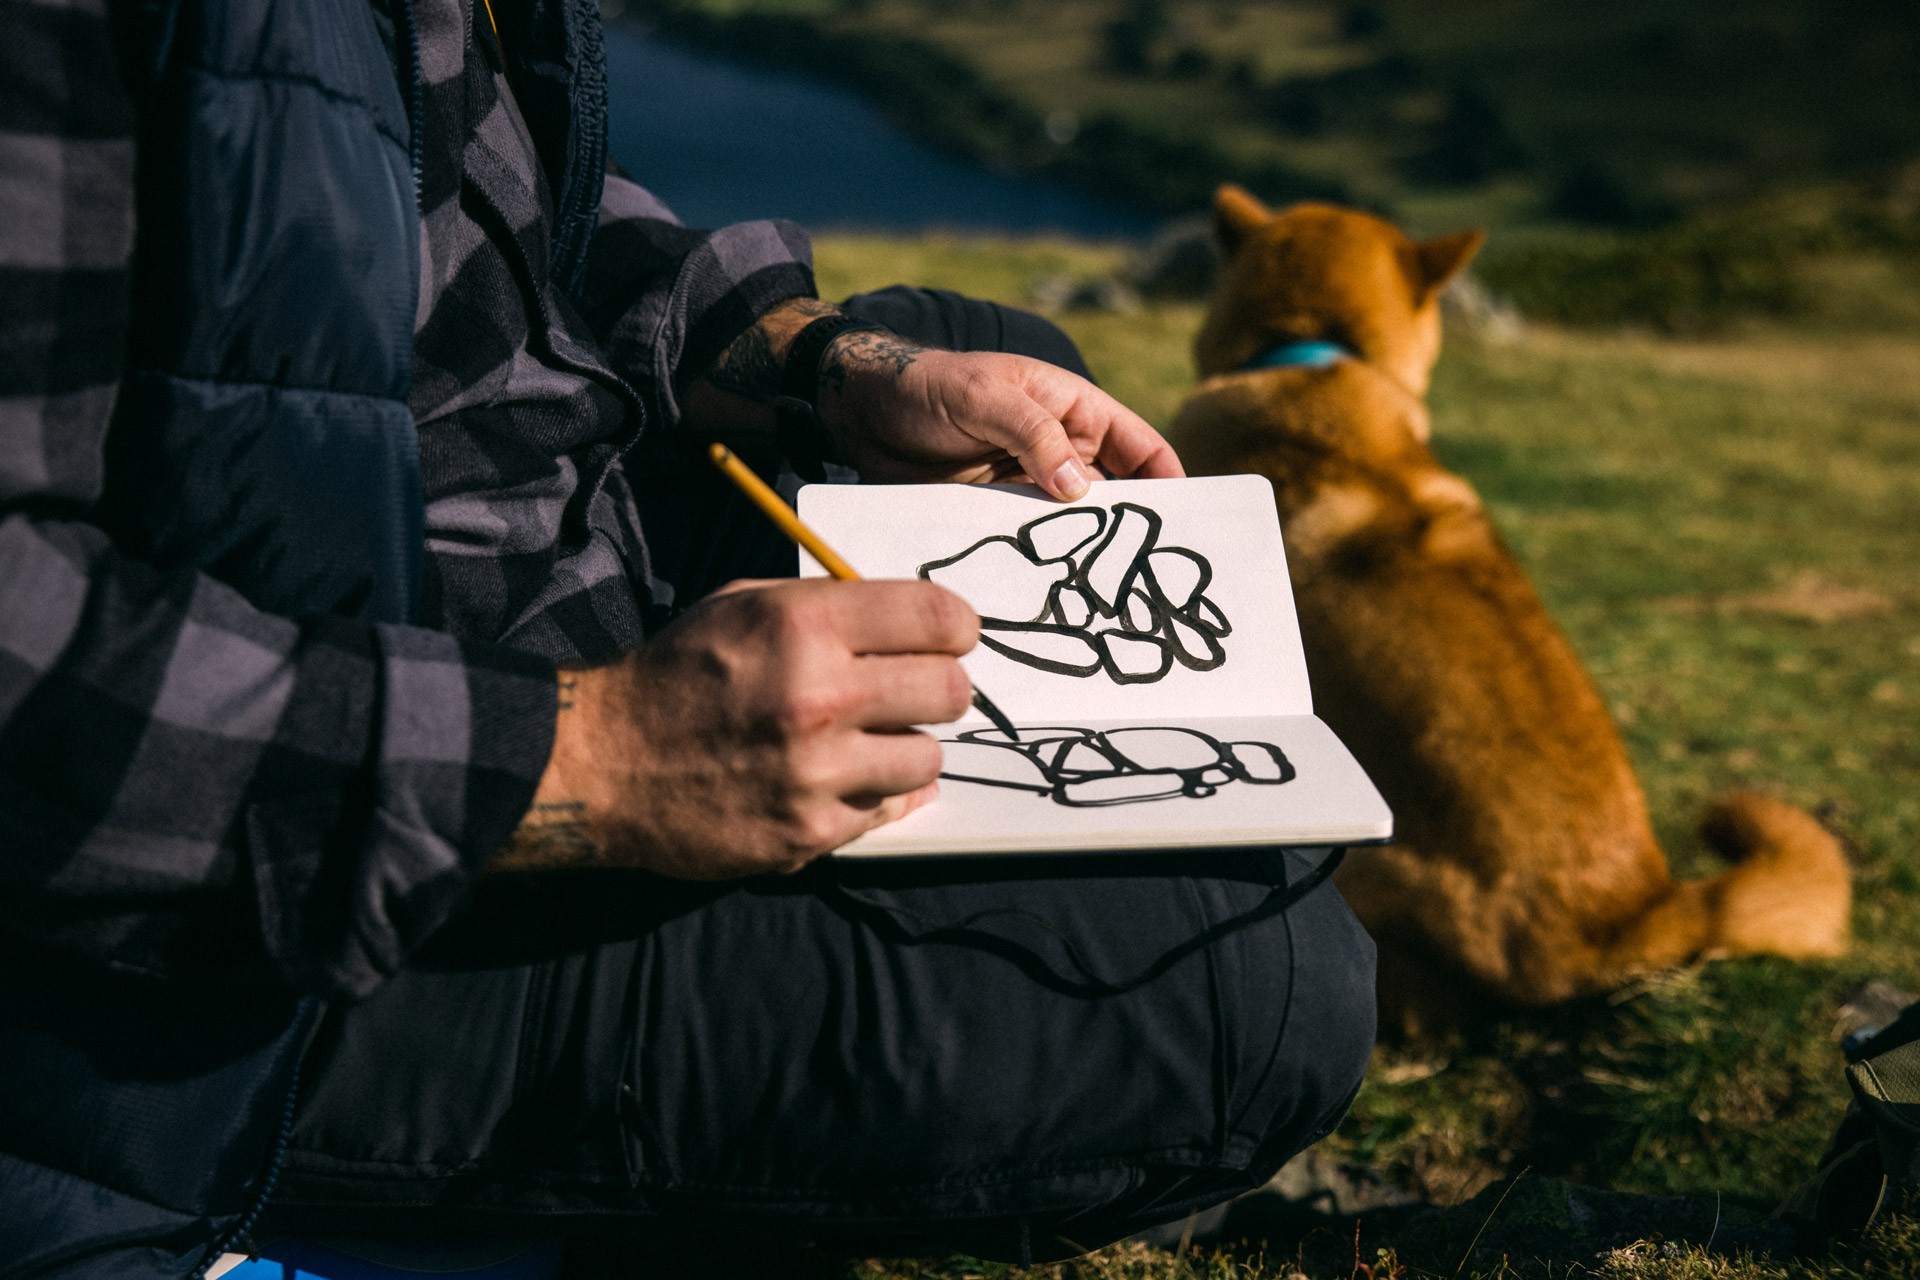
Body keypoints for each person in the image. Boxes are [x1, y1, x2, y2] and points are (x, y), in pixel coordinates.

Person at [0, 0, 1377, 1274]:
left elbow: (513, 233)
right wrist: (595, 753)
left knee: (992, 357)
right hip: (225, 941)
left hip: (465, 566)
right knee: (1258, 1000)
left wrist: (828, 365)